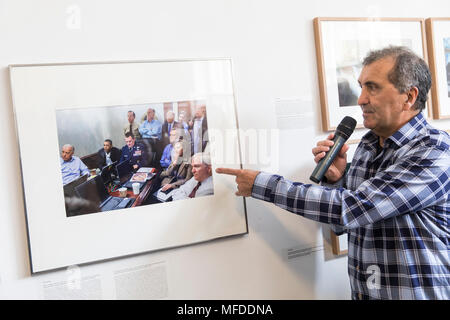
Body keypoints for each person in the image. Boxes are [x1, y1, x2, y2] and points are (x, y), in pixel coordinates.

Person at [217, 46, 450, 300]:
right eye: (361, 86)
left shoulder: (435, 152)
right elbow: (343, 224)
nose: (361, 99)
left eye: (373, 87)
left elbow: (352, 208)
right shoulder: (368, 146)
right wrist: (337, 180)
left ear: (409, 96)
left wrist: (261, 184)